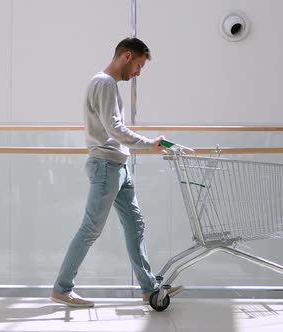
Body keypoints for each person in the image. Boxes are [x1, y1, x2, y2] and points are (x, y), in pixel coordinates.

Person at [50, 37, 182, 307]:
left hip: (118, 165)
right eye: (139, 65)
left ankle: (149, 289)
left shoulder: (107, 85)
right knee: (91, 228)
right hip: (106, 166)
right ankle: (62, 288)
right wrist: (148, 145)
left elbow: (114, 129)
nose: (138, 73)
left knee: (135, 226)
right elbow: (113, 128)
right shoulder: (104, 83)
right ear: (126, 57)